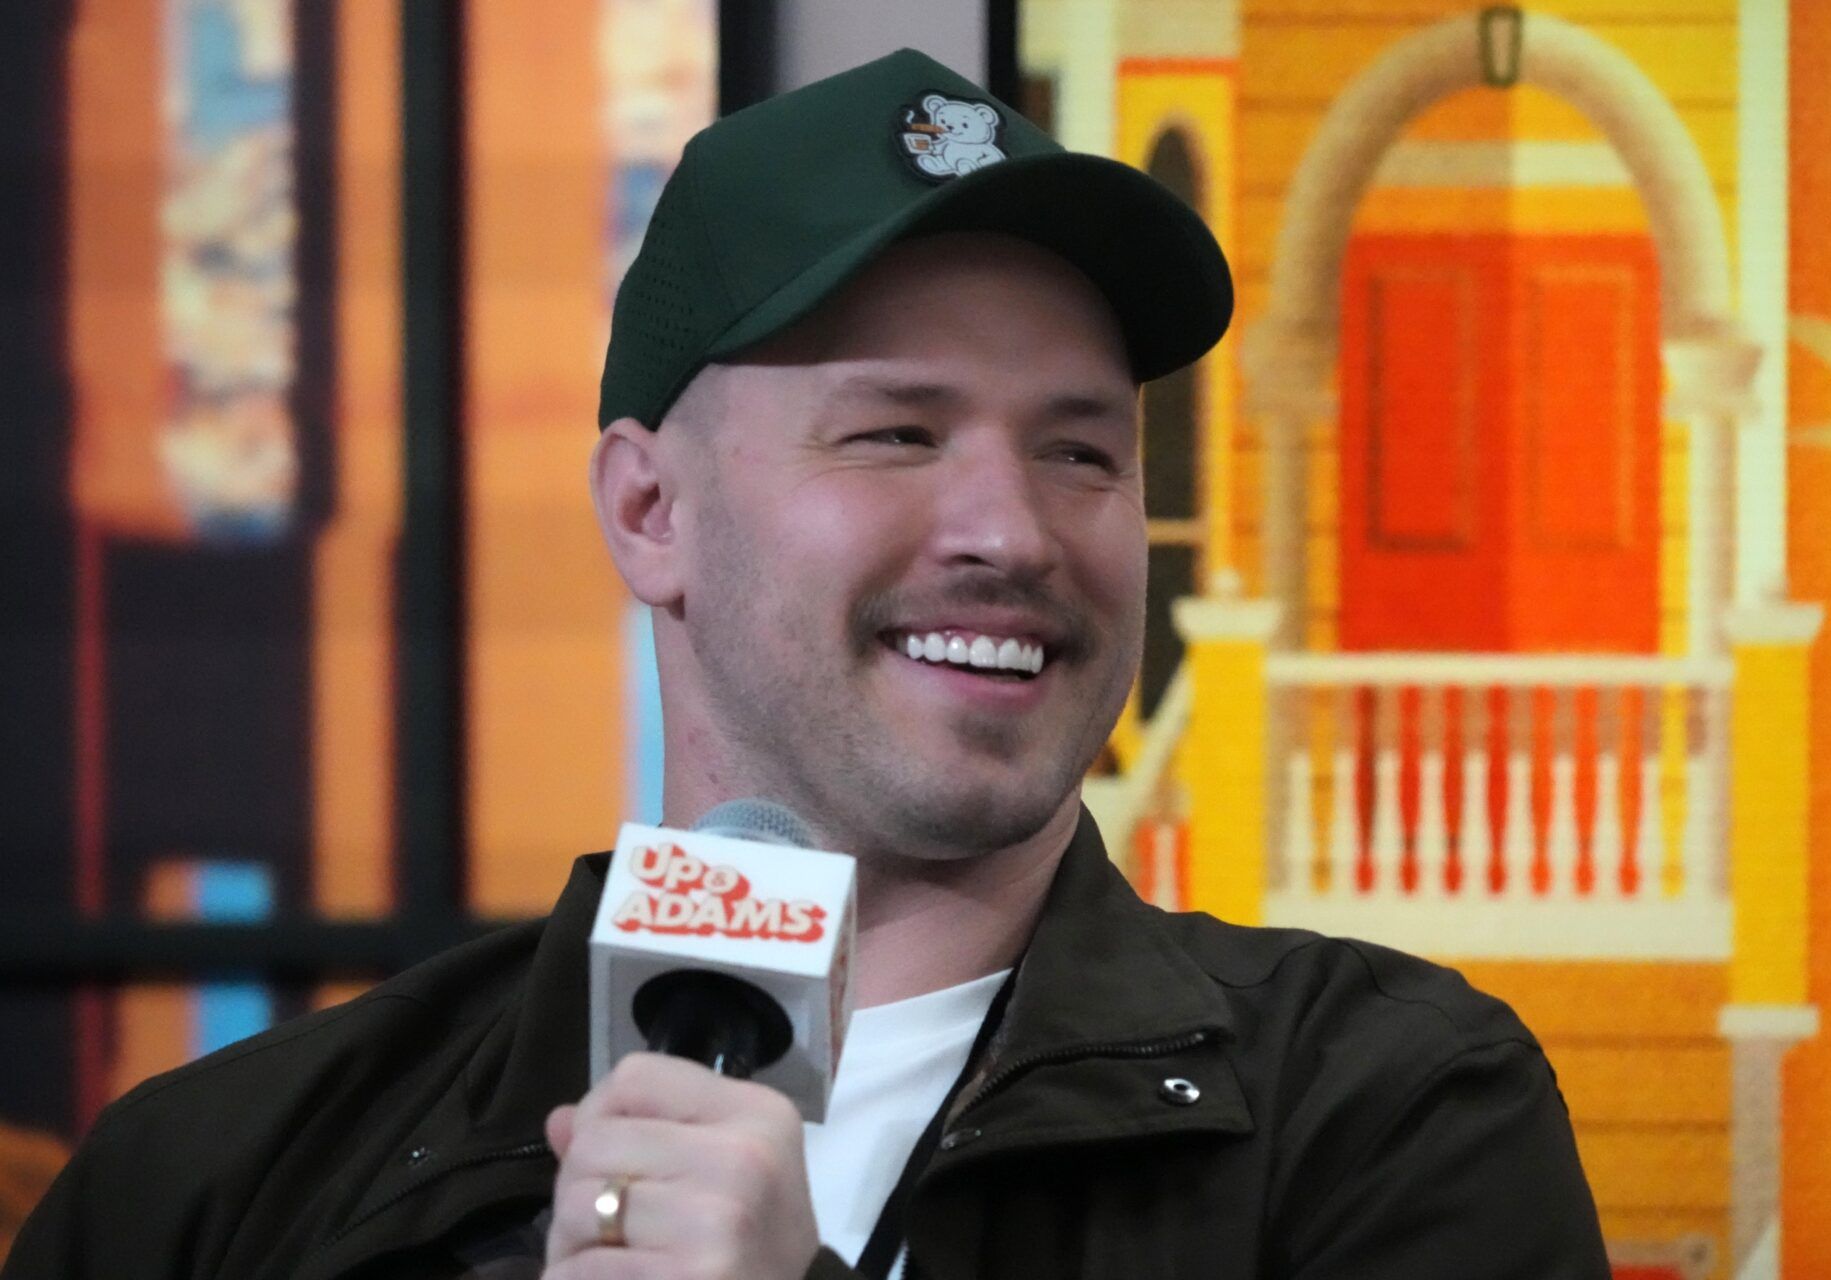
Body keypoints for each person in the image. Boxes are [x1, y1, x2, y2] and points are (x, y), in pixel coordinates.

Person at [4, 48, 1611, 1280]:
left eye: (1081, 453)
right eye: (896, 433)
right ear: (649, 512)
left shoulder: (1383, 1113)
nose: (1014, 531)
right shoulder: (216, 1184)